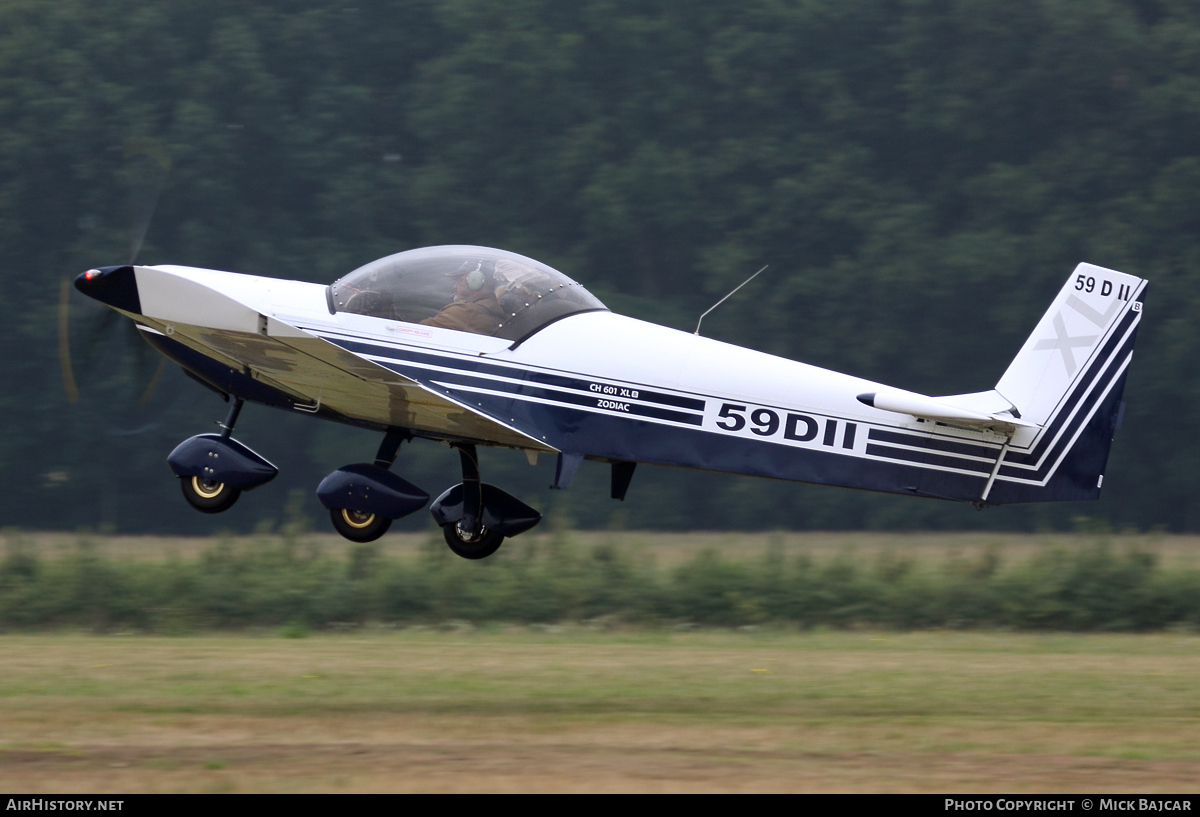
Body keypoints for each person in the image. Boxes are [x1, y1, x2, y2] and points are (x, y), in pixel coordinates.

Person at [420, 261, 506, 335]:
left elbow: (418, 331)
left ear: (475, 282)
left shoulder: (464, 311)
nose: (455, 286)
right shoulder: (494, 309)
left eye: (460, 280)